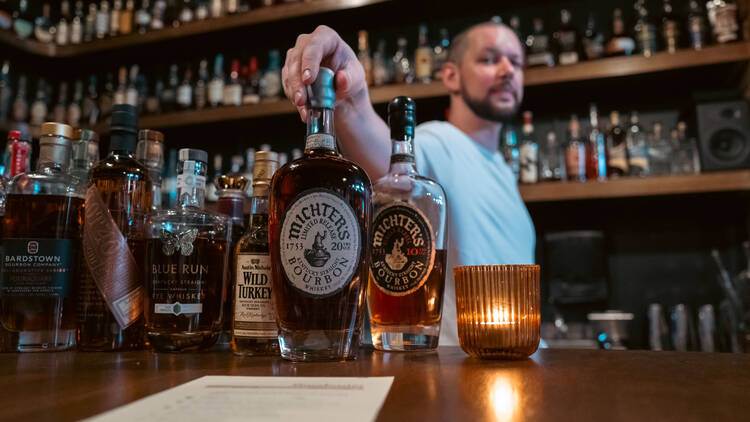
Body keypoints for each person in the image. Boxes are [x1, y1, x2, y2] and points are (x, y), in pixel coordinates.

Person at [281, 22, 535, 346]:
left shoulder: (500, 168)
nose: (507, 70)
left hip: (512, 368)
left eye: (516, 62)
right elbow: (393, 168)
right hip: (458, 372)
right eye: (489, 59)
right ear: (451, 76)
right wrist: (349, 103)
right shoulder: (439, 142)